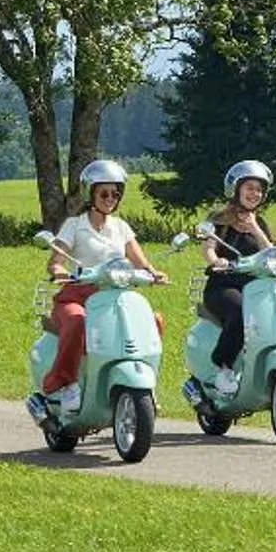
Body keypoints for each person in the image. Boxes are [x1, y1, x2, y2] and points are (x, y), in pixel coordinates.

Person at [29, 158, 168, 417]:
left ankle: (145, 386)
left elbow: (141, 261)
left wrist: (153, 273)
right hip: (77, 295)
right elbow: (56, 262)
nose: (110, 198)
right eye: (104, 193)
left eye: (115, 193)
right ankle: (64, 384)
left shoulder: (121, 227)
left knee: (153, 321)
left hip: (115, 296)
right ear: (90, 193)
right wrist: (61, 273)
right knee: (77, 321)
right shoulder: (75, 225)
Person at [198, 158, 276, 399]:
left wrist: (255, 228)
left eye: (259, 189)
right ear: (236, 189)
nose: (254, 194)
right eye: (249, 188)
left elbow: (270, 252)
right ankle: (224, 366)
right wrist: (216, 261)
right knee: (240, 309)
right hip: (223, 285)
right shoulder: (219, 218)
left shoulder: (259, 222)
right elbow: (208, 248)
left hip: (255, 285)